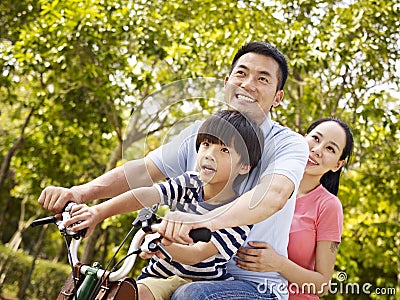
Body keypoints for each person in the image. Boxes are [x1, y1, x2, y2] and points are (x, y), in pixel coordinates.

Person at [38, 41, 309, 298]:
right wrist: (82, 196)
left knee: (190, 294)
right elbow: (143, 173)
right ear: (227, 83)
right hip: (171, 269)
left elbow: (273, 194)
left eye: (263, 79)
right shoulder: (201, 134)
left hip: (253, 286)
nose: (248, 84)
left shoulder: (288, 144)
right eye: (241, 73)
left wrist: (202, 223)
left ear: (278, 97)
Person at [64, 110, 264, 300]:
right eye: (205, 144)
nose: (210, 154)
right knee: (124, 291)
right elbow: (148, 194)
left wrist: (160, 244)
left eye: (224, 150)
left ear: (245, 165)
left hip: (202, 284)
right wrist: (98, 212)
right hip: (158, 277)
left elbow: (196, 254)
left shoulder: (239, 212)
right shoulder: (188, 183)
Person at [232, 118, 354, 299]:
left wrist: (279, 264)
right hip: (238, 286)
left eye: (330, 149)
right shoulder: (266, 182)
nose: (317, 150)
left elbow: (322, 286)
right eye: (316, 139)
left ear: (338, 164)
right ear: (303, 138)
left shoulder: (328, 206)